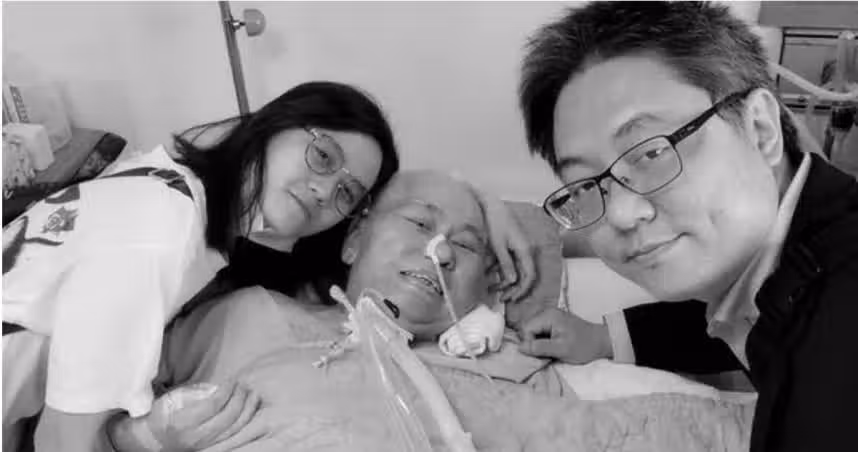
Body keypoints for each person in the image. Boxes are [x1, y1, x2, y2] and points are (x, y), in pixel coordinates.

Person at [106, 170, 751, 452]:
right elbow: (91, 418)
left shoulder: (517, 364)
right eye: (418, 224)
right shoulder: (242, 314)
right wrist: (147, 440)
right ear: (353, 239)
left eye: (465, 247)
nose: (439, 251)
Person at [516, 2, 858, 452]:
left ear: (760, 129)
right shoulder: (775, 267)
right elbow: (736, 312)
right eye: (584, 185)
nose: (620, 214)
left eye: (651, 153)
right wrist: (603, 338)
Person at [2, 80, 401, 452]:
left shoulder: (170, 182)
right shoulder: (163, 234)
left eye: (347, 193)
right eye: (323, 156)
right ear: (275, 126)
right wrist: (146, 439)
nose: (325, 191)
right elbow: (60, 442)